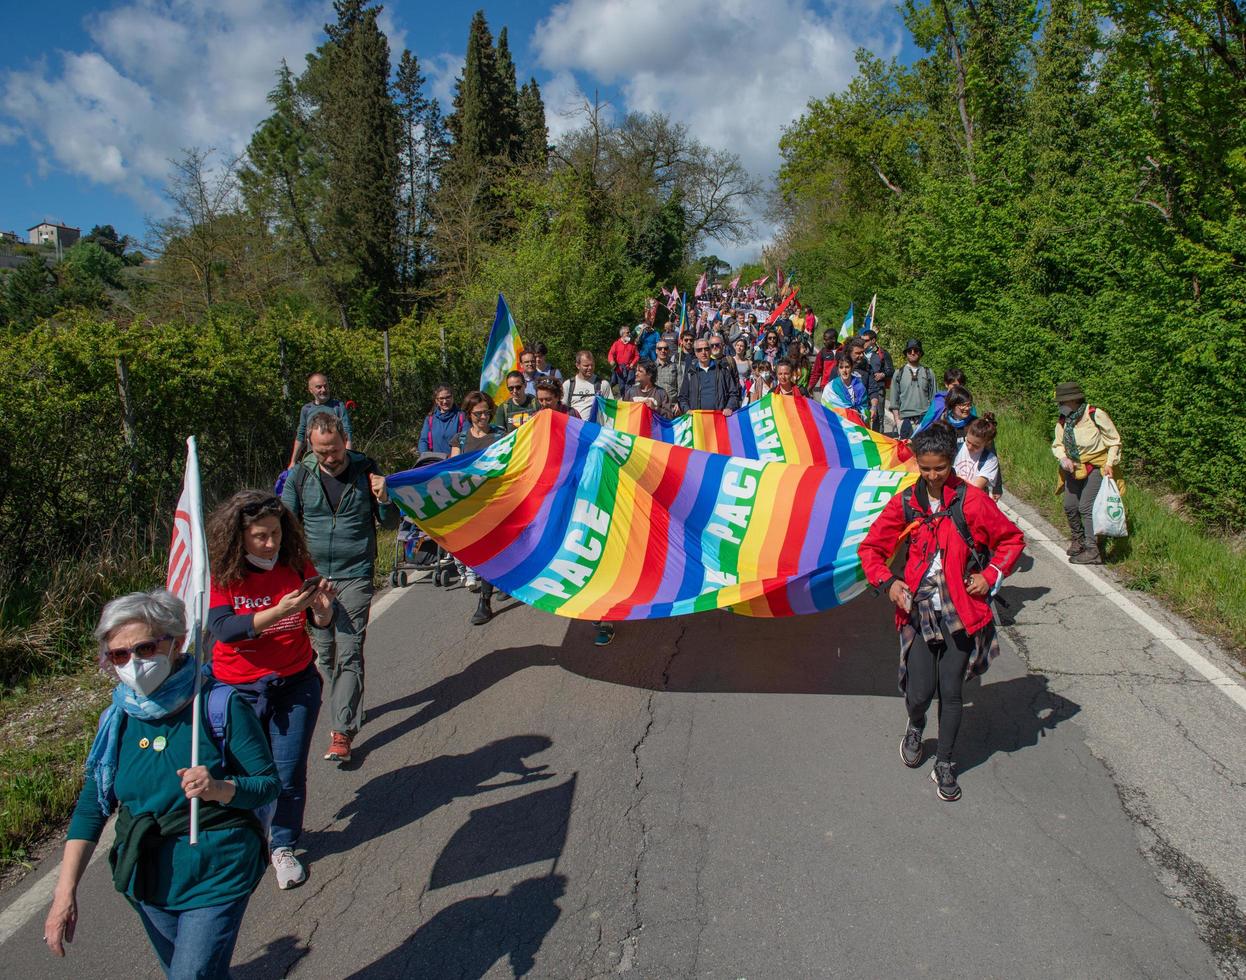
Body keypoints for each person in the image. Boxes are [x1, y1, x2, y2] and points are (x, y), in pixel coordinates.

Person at [45, 589, 280, 976]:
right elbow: (93, 807)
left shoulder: (219, 703)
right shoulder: (117, 719)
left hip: (216, 868)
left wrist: (220, 788)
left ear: (175, 643)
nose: (133, 663)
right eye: (119, 655)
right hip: (147, 877)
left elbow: (267, 784)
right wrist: (64, 893)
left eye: (144, 648)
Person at [858, 423, 1025, 802]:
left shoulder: (973, 502)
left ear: (953, 462)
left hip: (961, 611)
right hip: (918, 611)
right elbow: (871, 548)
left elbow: (1011, 539)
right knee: (919, 692)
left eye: (940, 468)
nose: (932, 476)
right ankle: (915, 725)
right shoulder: (906, 502)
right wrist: (890, 583)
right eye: (925, 468)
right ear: (917, 463)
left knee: (950, 692)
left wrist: (990, 575)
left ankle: (946, 763)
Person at [206, 491, 336, 890]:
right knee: (242, 774)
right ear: (238, 537)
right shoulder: (223, 575)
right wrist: (278, 611)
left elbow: (321, 621)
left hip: (295, 682)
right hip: (237, 690)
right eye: (260, 536)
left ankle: (283, 845)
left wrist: (323, 608)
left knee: (287, 773)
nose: (270, 543)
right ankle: (242, 839)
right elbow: (224, 629)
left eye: (276, 533)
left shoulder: (295, 564)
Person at [281, 412, 399, 764]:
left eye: (333, 450)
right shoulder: (300, 476)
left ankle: (341, 730)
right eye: (320, 453)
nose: (329, 458)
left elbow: (390, 522)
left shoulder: (366, 470)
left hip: (356, 574)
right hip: (314, 580)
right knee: (325, 653)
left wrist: (385, 497)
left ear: (344, 439)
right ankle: (346, 707)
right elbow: (285, 527)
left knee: (349, 647)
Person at [449, 392, 508, 623]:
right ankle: (495, 586)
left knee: (492, 551)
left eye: (487, 412)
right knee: (482, 552)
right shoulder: (460, 440)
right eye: (478, 413)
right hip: (469, 505)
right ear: (468, 414)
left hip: (494, 503)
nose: (483, 417)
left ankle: (484, 601)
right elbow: (451, 471)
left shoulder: (500, 436)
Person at [1052, 381, 1122, 565]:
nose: (1060, 405)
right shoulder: (1063, 419)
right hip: (1073, 467)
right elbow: (1058, 444)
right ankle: (1079, 540)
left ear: (1073, 400)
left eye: (1062, 402)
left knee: (1086, 506)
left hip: (1096, 466)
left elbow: (1114, 440)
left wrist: (1109, 463)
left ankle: (1093, 550)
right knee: (1070, 505)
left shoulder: (1095, 415)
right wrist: (1063, 458)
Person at [288, 373, 352, 468]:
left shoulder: (338, 406)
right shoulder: (306, 409)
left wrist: (348, 457)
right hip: (313, 459)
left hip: (335, 459)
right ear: (311, 390)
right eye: (319, 387)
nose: (324, 390)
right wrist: (293, 462)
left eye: (325, 386)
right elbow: (300, 436)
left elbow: (347, 433)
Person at [677, 337, 741, 414]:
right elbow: (682, 397)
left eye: (706, 349)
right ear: (696, 353)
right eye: (699, 350)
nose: (703, 352)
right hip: (698, 419)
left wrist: (729, 407)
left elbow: (734, 393)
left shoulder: (722, 369)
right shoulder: (690, 372)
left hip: (719, 418)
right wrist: (687, 410)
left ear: (710, 351)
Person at [888, 339, 936, 439]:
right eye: (910, 351)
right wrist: (898, 421)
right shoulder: (898, 373)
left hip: (924, 420)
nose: (912, 353)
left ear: (920, 353)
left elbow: (934, 399)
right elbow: (894, 400)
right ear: (906, 353)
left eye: (916, 350)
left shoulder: (929, 373)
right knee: (906, 453)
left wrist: (932, 420)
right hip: (905, 420)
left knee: (924, 452)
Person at [955, 415, 1001, 495]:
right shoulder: (957, 448)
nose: (969, 447)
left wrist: (955, 478)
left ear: (987, 443)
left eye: (975, 446)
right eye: (968, 441)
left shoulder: (990, 460)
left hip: (973, 499)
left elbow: (976, 488)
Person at [562, 351, 613, 421]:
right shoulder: (568, 385)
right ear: (577, 365)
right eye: (586, 365)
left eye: (592, 365)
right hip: (574, 428)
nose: (590, 368)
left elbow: (611, 410)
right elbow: (562, 409)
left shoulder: (603, 384)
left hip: (596, 429)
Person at [416, 385, 465, 455]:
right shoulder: (429, 419)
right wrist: (427, 458)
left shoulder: (462, 417)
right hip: (436, 462)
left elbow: (465, 441)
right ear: (436, 400)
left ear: (452, 397)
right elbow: (423, 441)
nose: (445, 401)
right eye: (441, 398)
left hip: (455, 462)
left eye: (448, 397)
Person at [861, 330, 894, 432]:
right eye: (862, 340)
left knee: (878, 416)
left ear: (873, 340)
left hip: (878, 389)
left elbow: (891, 370)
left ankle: (879, 439)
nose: (863, 343)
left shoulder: (882, 354)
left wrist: (882, 374)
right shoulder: (858, 352)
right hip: (861, 389)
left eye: (866, 341)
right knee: (862, 415)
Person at [822, 352, 868, 418]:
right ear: (838, 369)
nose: (844, 370)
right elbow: (826, 408)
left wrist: (859, 412)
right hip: (838, 424)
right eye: (841, 367)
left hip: (856, 423)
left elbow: (864, 407)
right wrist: (848, 412)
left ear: (852, 368)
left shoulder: (860, 386)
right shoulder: (830, 388)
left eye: (847, 367)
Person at [607, 326, 639, 392]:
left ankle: (627, 399)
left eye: (629, 332)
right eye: (627, 333)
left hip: (629, 369)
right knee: (620, 386)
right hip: (619, 369)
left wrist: (633, 363)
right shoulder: (616, 344)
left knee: (629, 387)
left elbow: (637, 356)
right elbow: (611, 354)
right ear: (622, 334)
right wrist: (611, 361)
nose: (629, 334)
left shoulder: (632, 345)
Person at [810, 329, 839, 397]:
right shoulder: (822, 353)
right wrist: (810, 386)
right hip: (826, 388)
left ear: (834, 339)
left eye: (826, 340)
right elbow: (816, 372)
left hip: (840, 388)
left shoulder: (843, 351)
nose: (824, 342)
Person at [653, 336, 681, 404]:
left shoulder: (675, 367)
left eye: (665, 348)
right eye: (660, 349)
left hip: (672, 405)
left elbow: (680, 387)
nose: (663, 351)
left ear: (668, 350)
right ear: (656, 351)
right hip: (654, 405)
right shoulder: (651, 367)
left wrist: (679, 403)